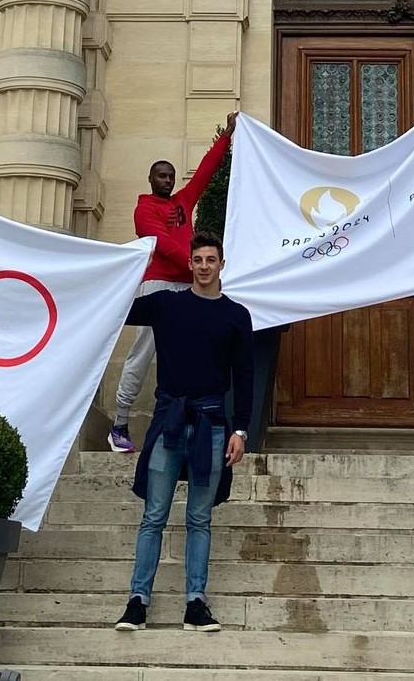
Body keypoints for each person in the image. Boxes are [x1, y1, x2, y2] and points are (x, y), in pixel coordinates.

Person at [114, 231, 255, 634]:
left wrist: (241, 430)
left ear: (221, 265)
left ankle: (196, 603)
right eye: (199, 260)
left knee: (199, 518)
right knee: (153, 516)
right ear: (190, 264)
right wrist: (120, 266)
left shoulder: (236, 316)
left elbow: (244, 377)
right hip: (169, 423)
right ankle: (137, 603)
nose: (205, 266)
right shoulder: (166, 305)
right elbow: (116, 306)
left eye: (212, 259)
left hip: (212, 426)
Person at [109, 114, 237, 454]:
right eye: (161, 176)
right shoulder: (144, 209)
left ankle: (180, 424)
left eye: (170, 176)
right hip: (159, 288)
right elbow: (161, 243)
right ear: (151, 178)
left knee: (188, 356)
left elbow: (206, 174)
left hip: (189, 288)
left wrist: (226, 136)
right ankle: (119, 421)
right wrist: (196, 266)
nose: (166, 181)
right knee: (141, 355)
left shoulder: (182, 201)